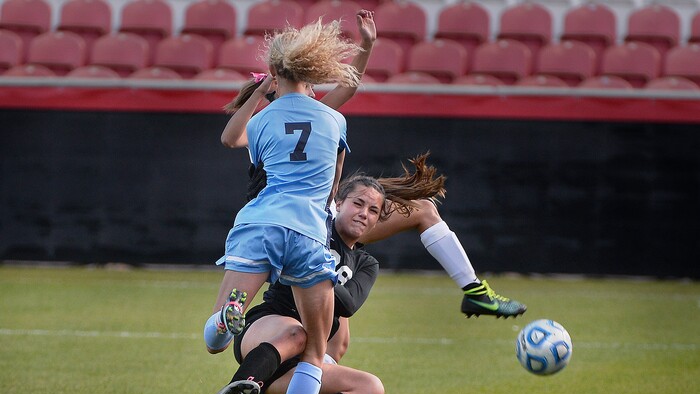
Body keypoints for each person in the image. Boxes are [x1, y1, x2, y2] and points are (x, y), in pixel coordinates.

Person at [219, 11, 526, 320]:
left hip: (300, 224)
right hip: (309, 227)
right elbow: (347, 89)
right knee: (421, 211)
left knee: (337, 336)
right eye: (308, 83)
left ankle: (474, 292)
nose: (312, 91)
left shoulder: (288, 119)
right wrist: (366, 45)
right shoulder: (285, 120)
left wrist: (366, 45)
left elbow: (235, 137)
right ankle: (474, 291)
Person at [206, 170, 445, 394]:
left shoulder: (365, 263)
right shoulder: (313, 232)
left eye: (373, 211)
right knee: (298, 332)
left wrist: (316, 266)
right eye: (357, 204)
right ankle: (241, 383)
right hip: (265, 333)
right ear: (338, 203)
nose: (364, 214)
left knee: (371, 388)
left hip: (299, 368)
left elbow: (349, 304)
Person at [202, 19, 362, 394]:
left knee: (217, 337)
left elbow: (240, 145)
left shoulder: (264, 119)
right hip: (309, 234)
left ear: (275, 74)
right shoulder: (334, 119)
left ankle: (226, 319)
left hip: (261, 222)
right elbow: (332, 184)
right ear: (314, 72)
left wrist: (259, 94)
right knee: (316, 348)